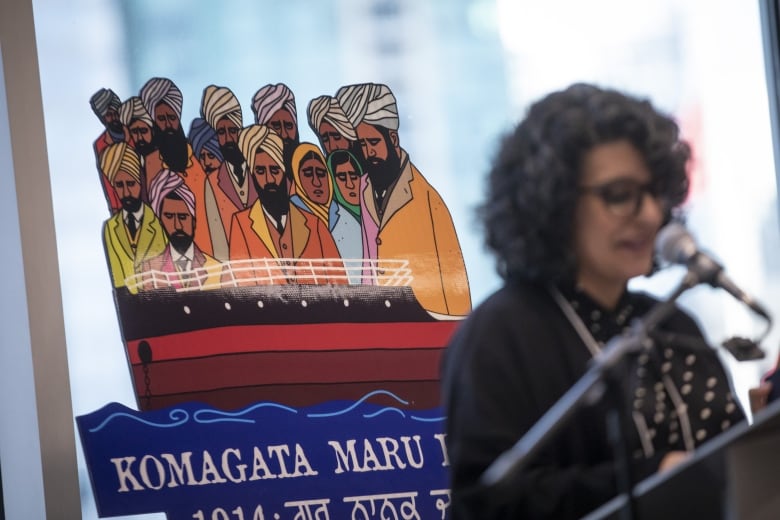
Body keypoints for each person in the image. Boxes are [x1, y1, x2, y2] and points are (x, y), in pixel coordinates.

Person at [441, 83, 746, 519]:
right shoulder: (498, 335)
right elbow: (490, 502)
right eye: (620, 195)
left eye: (655, 193)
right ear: (553, 202)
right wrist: (654, 475)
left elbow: (736, 467)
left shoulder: (675, 326)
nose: (650, 215)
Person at [336, 82, 471, 316]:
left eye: (374, 142)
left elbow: (455, 290)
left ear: (393, 139)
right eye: (362, 144)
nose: (368, 153)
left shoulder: (428, 201)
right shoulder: (364, 187)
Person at [227, 124, 345, 285]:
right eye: (261, 171)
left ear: (284, 172)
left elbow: (339, 283)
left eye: (275, 170)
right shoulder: (241, 224)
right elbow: (241, 285)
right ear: (252, 174)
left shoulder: (314, 224)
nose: (269, 180)